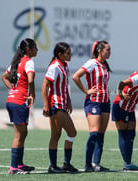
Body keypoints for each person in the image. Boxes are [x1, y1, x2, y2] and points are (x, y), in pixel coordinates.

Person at [72, 40, 111, 172]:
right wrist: (86, 91)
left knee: (101, 134)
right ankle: (88, 164)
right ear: (100, 51)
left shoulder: (104, 65)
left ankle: (96, 164)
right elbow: (75, 77)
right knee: (94, 133)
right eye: (107, 50)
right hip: (94, 102)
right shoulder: (92, 63)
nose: (110, 52)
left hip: (105, 102)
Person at [1, 38, 38, 174]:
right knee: (19, 135)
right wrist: (32, 95)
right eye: (35, 47)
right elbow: (31, 79)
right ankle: (14, 168)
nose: (37, 50)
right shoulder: (28, 62)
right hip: (19, 101)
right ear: (28, 49)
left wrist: (13, 90)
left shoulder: (16, 62)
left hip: (12, 100)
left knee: (23, 133)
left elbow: (4, 77)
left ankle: (19, 164)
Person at [42, 42, 78, 173]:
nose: (70, 55)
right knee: (71, 133)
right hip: (56, 105)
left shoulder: (65, 65)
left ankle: (57, 165)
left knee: (57, 135)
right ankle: (61, 165)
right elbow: (44, 86)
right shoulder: (54, 66)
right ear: (60, 54)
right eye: (67, 53)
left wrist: (68, 100)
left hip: (62, 104)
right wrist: (46, 105)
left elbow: (64, 86)